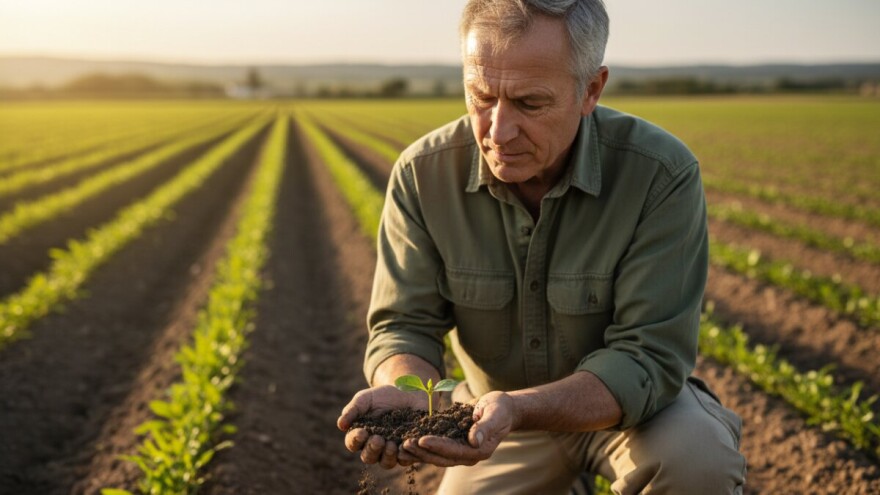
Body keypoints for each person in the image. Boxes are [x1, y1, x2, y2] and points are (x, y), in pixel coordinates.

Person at [337, 0, 747, 493]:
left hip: (632, 415)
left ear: (590, 89)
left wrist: (520, 407)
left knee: (696, 462)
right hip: (493, 419)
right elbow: (405, 323)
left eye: (530, 103)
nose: (498, 131)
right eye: (480, 96)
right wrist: (405, 391)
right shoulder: (423, 175)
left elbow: (647, 356)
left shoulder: (659, 174)